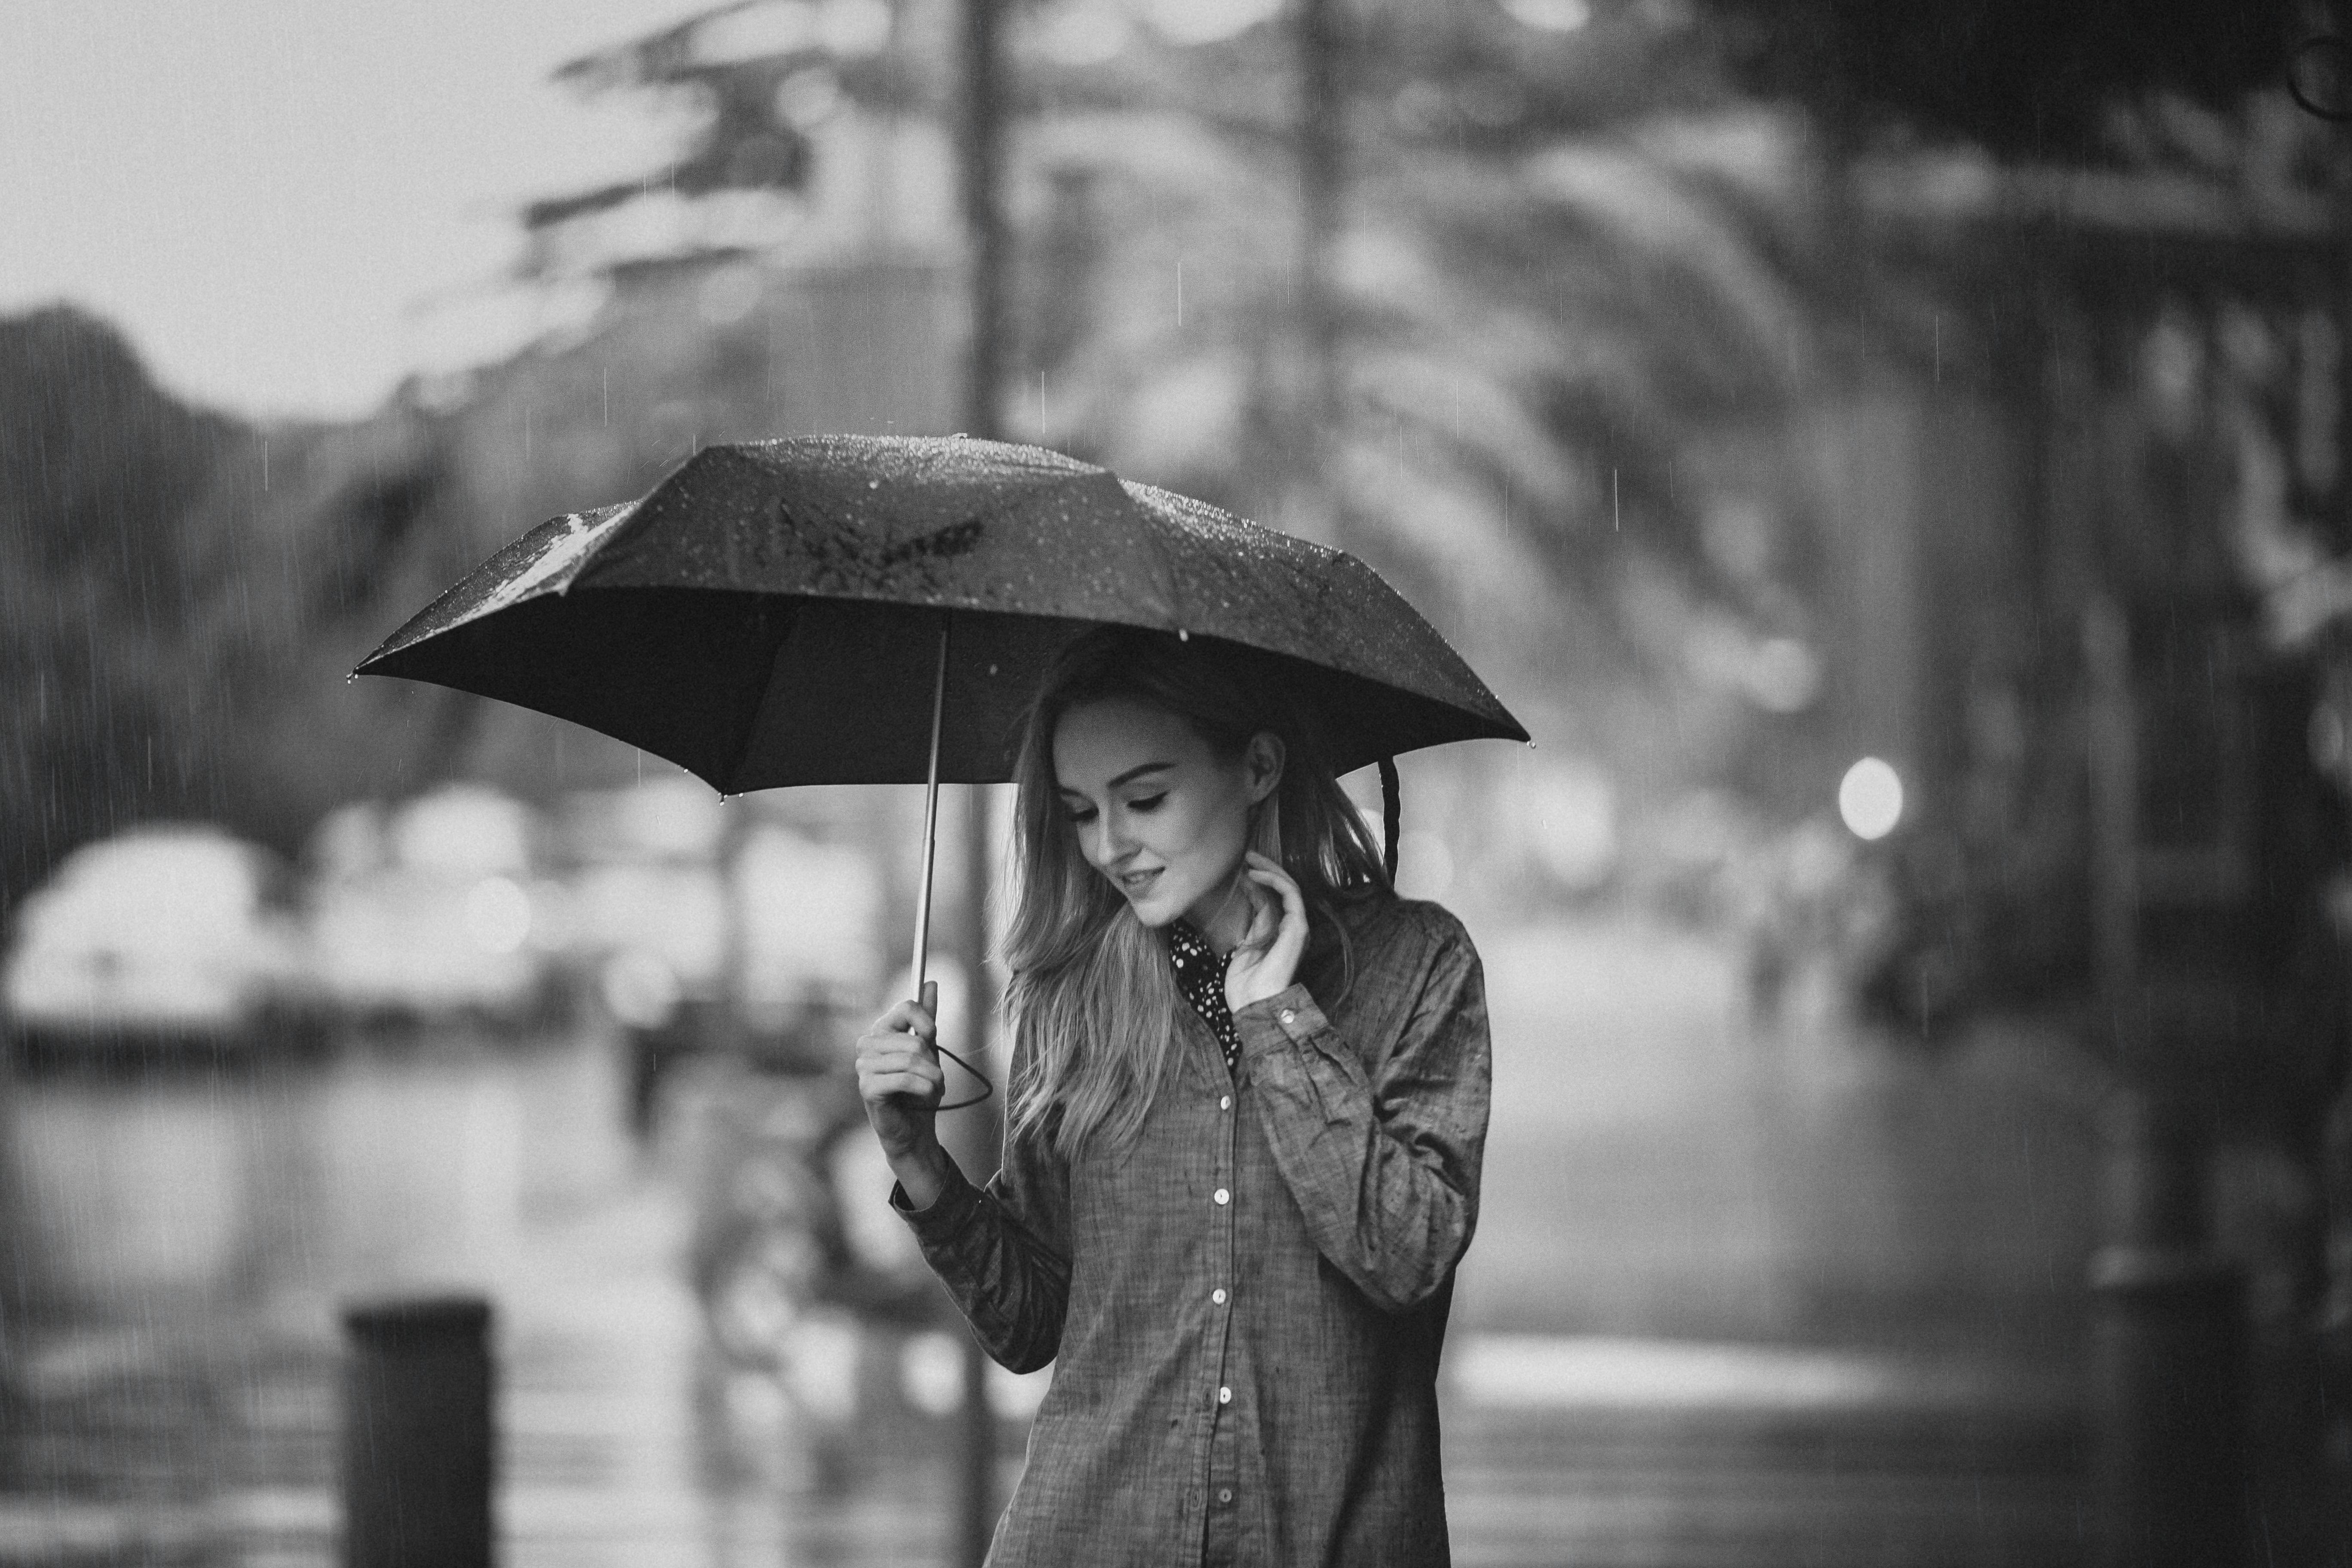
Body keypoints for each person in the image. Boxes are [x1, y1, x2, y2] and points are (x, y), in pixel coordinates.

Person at [855, 625, 1492, 1567]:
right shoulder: (1071, 997)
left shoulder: (1416, 969)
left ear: (1259, 766)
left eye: (1145, 799)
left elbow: (1405, 1257)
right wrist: (920, 1163)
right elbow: (1033, 1326)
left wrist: (1278, 1023)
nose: (1112, 845)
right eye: (1079, 811)